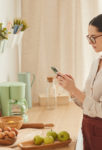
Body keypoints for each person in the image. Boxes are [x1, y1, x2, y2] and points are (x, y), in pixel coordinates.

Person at [56, 14, 102, 150]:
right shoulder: (96, 62)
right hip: (89, 128)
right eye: (88, 37)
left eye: (94, 37)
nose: (90, 42)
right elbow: (87, 103)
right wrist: (71, 89)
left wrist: (74, 90)